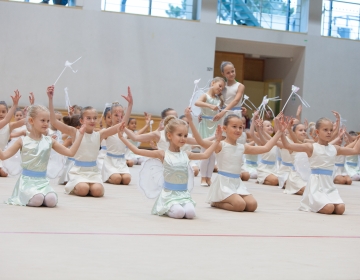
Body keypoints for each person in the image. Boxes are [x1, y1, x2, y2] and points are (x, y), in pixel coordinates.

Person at [117, 115, 222, 219]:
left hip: (184, 195)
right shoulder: (163, 154)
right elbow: (137, 151)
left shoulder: (186, 154)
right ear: (170, 136)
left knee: (190, 213)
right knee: (179, 213)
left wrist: (217, 141)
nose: (183, 138)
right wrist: (122, 137)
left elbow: (205, 155)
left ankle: (179, 206)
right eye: (179, 135)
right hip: (169, 195)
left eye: (185, 135)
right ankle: (165, 207)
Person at [186, 108, 287, 212]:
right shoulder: (220, 145)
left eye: (240, 127)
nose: (238, 130)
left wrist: (279, 132)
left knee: (252, 205)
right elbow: (200, 142)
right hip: (224, 183)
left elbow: (265, 148)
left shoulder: (242, 147)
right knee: (239, 205)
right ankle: (216, 201)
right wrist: (190, 121)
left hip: (237, 182)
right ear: (224, 128)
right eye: (234, 127)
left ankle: (231, 198)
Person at [47, 85, 129, 197]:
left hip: (93, 171)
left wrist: (130, 105)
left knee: (97, 191)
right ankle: (72, 185)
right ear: (81, 120)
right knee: (83, 189)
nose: (92, 120)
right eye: (88, 118)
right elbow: (54, 121)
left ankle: (89, 184)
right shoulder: (74, 132)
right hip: (78, 171)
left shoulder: (100, 134)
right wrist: (50, 99)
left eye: (95, 118)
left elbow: (121, 125)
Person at [1, 104, 85, 207]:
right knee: (38, 199)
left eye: (48, 121)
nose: (46, 124)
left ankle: (40, 195)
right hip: (27, 182)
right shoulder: (23, 141)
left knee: (51, 200)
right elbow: (4, 156)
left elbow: (71, 153)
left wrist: (80, 135)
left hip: (43, 182)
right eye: (42, 120)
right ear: (31, 121)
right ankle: (27, 196)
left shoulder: (49, 141)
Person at [281, 117, 360, 215]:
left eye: (331, 130)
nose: (329, 132)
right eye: (325, 130)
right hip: (316, 185)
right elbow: (288, 145)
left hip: (329, 185)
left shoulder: (334, 148)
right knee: (329, 208)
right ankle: (312, 202)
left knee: (340, 209)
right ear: (317, 132)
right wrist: (282, 131)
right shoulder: (311, 147)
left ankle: (327, 200)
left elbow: (355, 151)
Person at [195, 77, 225, 186]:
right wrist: (210, 105)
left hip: (215, 126)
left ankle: (209, 177)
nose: (221, 89)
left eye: (222, 87)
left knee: (212, 155)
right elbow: (197, 103)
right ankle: (202, 177)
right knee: (204, 153)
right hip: (205, 126)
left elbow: (222, 112)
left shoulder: (219, 100)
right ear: (213, 83)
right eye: (219, 86)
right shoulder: (205, 96)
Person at [101, 98, 132, 185]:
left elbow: (137, 136)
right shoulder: (107, 131)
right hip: (110, 161)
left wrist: (130, 105)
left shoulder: (124, 130)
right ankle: (105, 176)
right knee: (117, 179)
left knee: (127, 179)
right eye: (116, 115)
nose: (119, 118)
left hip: (121, 161)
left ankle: (115, 174)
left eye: (122, 115)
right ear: (110, 116)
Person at [0, 90, 26, 177]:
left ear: (7, 113)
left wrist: (32, 115)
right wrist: (15, 105)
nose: (1, 114)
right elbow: (6, 119)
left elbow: (22, 122)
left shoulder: (9, 126)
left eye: (3, 112)